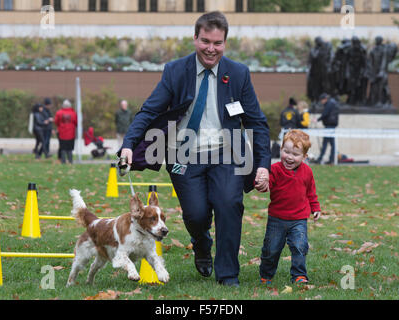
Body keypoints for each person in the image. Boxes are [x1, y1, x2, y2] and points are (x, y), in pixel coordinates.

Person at [119, 11, 271, 287]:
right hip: (183, 154)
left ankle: (227, 274)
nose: (211, 49)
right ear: (195, 39)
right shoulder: (176, 71)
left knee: (228, 204)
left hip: (227, 152)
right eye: (205, 41)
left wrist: (262, 164)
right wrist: (129, 146)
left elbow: (257, 122)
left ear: (225, 42)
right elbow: (149, 111)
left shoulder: (238, 74)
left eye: (218, 43)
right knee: (196, 214)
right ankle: (201, 243)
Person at [258, 129, 321, 286]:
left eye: (295, 154)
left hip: (299, 219)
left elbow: (311, 192)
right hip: (277, 219)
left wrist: (315, 208)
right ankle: (266, 274)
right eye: (286, 151)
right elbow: (267, 184)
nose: (289, 157)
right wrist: (261, 184)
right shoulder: (275, 169)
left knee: (300, 246)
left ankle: (299, 275)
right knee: (271, 249)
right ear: (281, 150)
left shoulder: (307, 172)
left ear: (304, 157)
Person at [316, 93, 339, 165]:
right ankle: (331, 159)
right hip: (331, 125)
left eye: (321, 100)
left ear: (325, 99)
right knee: (332, 143)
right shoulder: (332, 103)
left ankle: (320, 158)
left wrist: (317, 120)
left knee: (325, 143)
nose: (321, 102)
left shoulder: (329, 104)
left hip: (329, 126)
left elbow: (325, 114)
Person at [54, 99, 78, 164]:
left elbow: (56, 121)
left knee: (63, 148)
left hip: (62, 133)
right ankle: (70, 160)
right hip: (71, 133)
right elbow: (76, 122)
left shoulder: (59, 112)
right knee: (70, 148)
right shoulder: (73, 113)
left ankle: (63, 161)